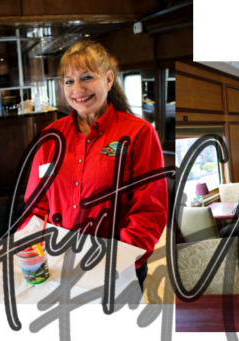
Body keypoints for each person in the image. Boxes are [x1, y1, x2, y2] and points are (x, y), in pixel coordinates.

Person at [18, 41, 168, 293]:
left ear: (108, 79)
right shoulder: (50, 137)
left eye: (87, 77)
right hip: (60, 264)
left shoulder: (139, 133)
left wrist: (116, 261)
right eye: (69, 81)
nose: (77, 89)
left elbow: (149, 210)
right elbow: (36, 204)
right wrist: (32, 250)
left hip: (115, 264)